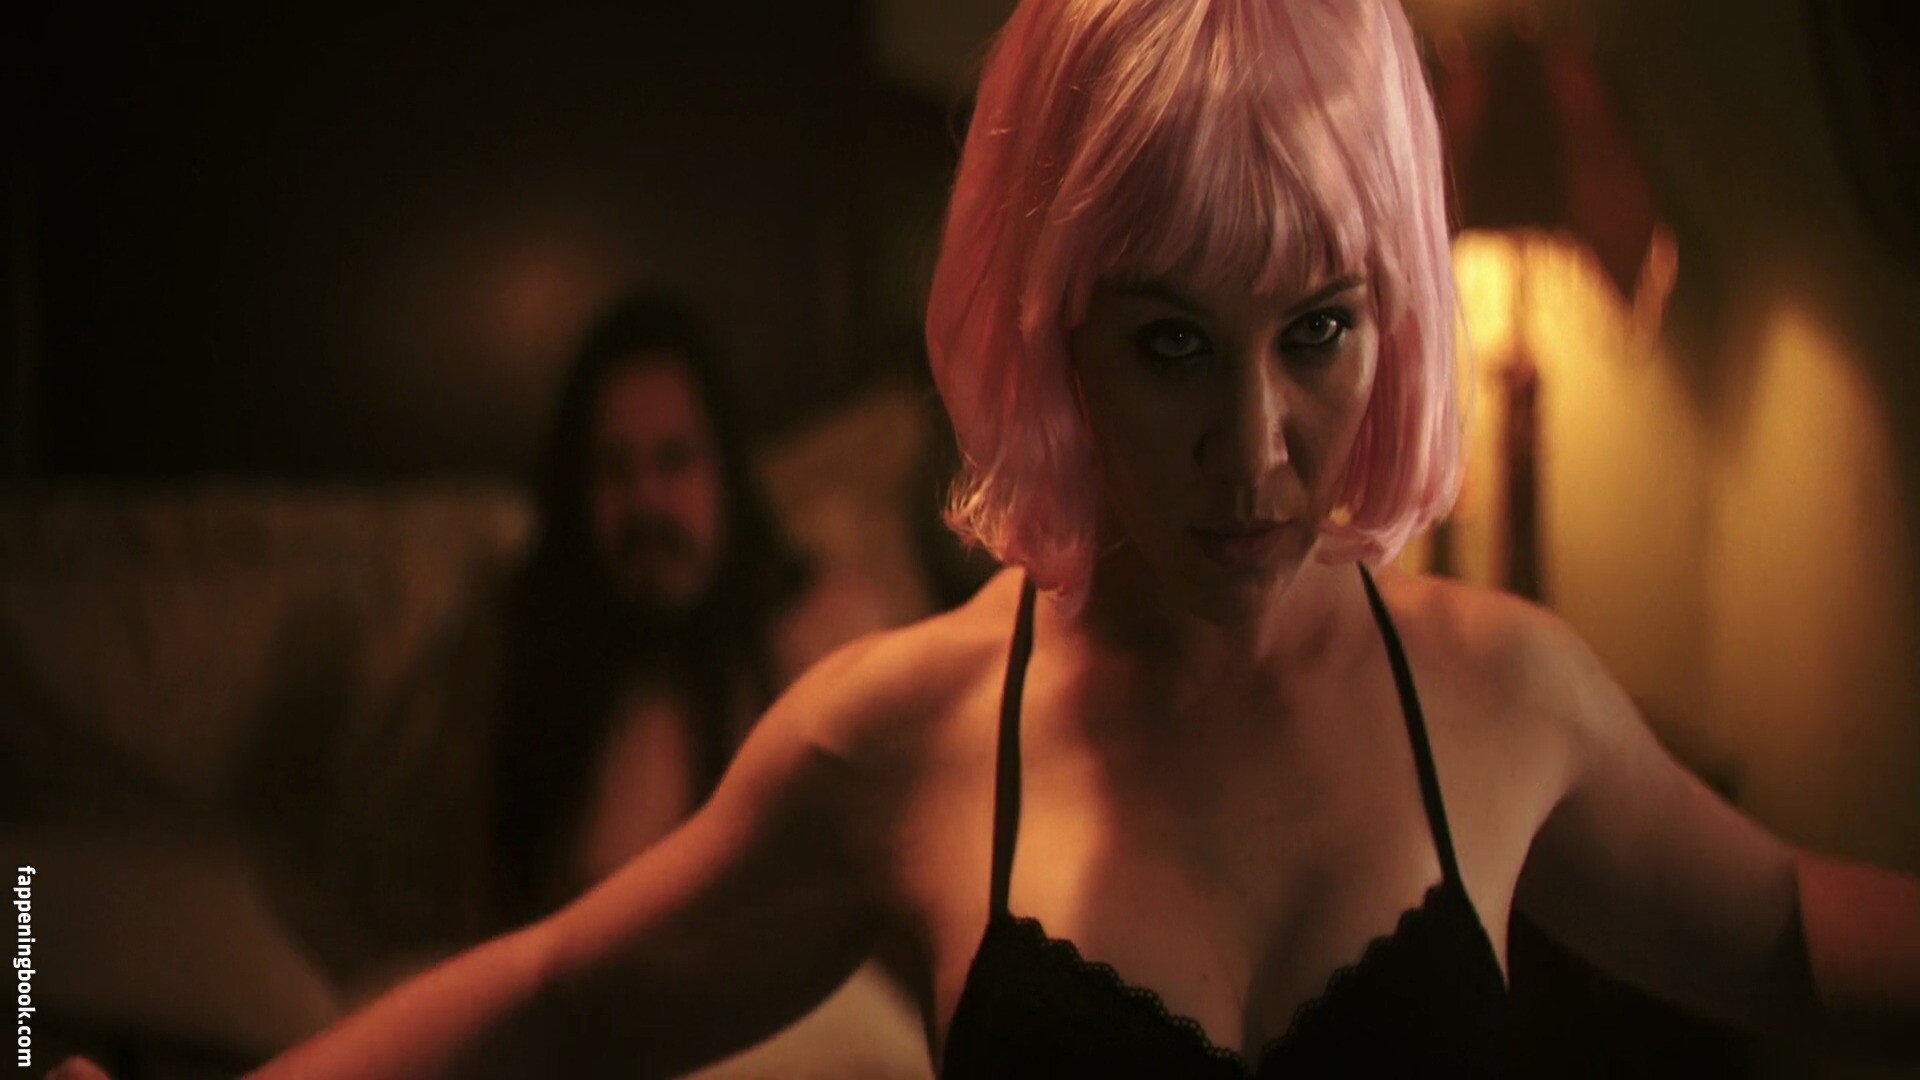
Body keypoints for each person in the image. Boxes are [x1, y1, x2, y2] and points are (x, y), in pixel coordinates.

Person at [64, 1, 1916, 1076]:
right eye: (1174, 345)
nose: (1257, 445)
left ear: (1395, 317)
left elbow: (1791, 937)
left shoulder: (1507, 698)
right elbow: (557, 1002)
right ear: (1060, 336)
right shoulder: (907, 739)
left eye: (1318, 331)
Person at [490, 292, 890, 924]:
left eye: (673, 460)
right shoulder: (536, 667)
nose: (645, 501)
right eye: (614, 469)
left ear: (725, 472)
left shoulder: (823, 641)